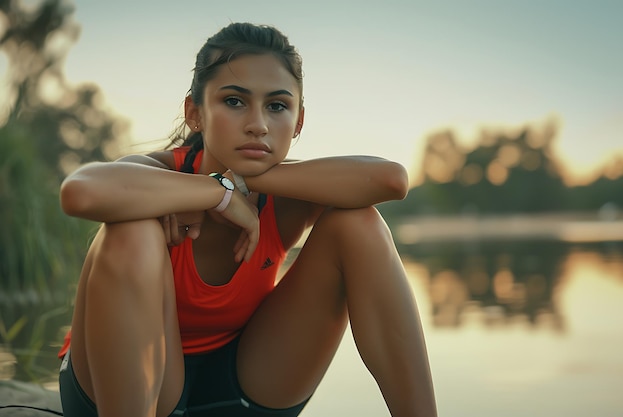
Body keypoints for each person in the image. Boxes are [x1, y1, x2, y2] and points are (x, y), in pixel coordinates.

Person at [57, 22, 437, 417]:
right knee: (131, 230)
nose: (258, 124)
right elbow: (81, 191)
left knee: (361, 225)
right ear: (195, 113)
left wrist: (240, 180)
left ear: (299, 122)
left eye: (277, 106)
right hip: (131, 391)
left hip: (247, 385)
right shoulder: (157, 174)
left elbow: (391, 180)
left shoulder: (288, 194)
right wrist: (216, 192)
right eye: (235, 101)